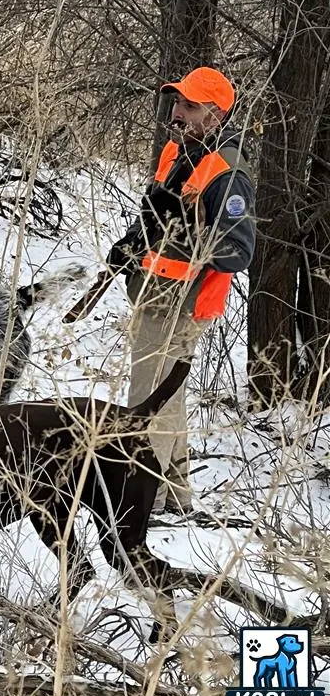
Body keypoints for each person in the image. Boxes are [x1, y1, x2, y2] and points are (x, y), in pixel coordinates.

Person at [106, 66, 257, 517]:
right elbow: (155, 213)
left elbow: (238, 251)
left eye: (189, 106)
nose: (177, 112)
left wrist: (189, 228)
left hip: (183, 304)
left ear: (215, 114)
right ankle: (173, 495)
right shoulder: (177, 151)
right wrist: (131, 243)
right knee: (165, 397)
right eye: (176, 103)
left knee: (145, 401)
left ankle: (141, 497)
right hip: (153, 295)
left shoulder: (227, 172)